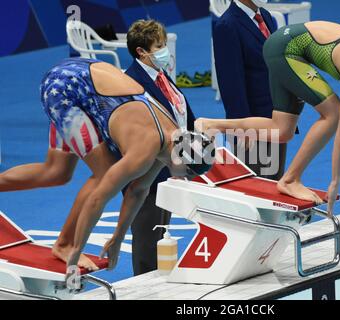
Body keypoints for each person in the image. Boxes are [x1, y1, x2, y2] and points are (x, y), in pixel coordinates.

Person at [1, 57, 215, 272]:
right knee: (103, 174)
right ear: (182, 162)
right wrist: (77, 250)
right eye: (188, 176)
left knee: (56, 172)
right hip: (65, 90)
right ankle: (64, 245)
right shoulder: (145, 150)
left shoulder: (171, 142)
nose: (185, 180)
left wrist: (118, 238)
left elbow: (138, 191)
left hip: (83, 79)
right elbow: (98, 197)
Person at [196, 21, 340, 216]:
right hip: (286, 48)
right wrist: (336, 179)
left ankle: (210, 125)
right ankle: (290, 180)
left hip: (287, 46)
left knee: (282, 129)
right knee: (334, 112)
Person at [125, 19, 196, 275]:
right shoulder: (130, 84)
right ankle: (143, 288)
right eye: (159, 46)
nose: (165, 50)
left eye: (164, 44)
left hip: (172, 167)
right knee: (147, 238)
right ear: (141, 52)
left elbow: (182, 113)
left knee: (161, 231)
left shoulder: (161, 77)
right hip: (147, 174)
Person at [213, 0, 287, 180]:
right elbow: (231, 84)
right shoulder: (227, 25)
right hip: (252, 124)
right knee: (258, 186)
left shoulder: (266, 16)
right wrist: (243, 128)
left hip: (277, 116)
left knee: (275, 180)